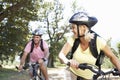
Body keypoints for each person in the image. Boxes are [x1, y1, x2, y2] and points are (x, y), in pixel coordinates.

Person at [58, 11, 120, 80]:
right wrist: (67, 61)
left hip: (89, 78)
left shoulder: (98, 41)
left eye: (73, 27)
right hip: (71, 74)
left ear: (83, 27)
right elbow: (61, 54)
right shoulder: (73, 38)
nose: (71, 30)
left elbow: (112, 57)